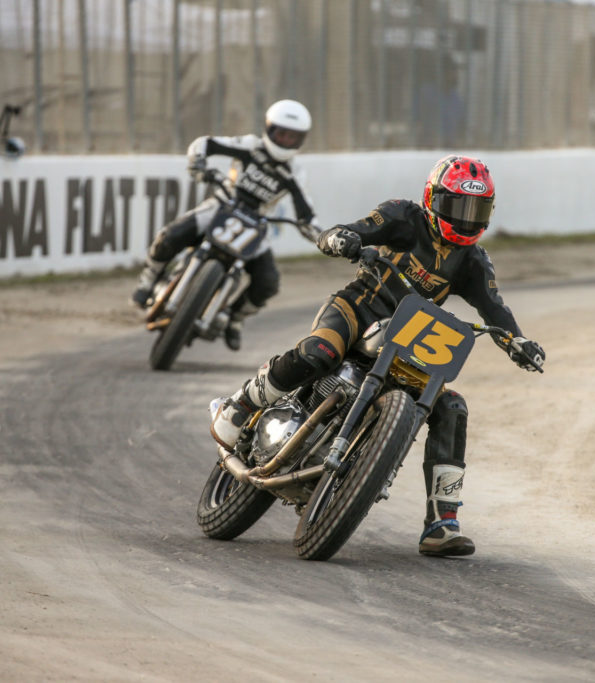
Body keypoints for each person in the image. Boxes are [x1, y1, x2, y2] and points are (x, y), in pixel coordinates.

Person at [210, 154, 546, 557]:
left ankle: (442, 521)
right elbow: (345, 231)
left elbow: (495, 309)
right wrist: (340, 239)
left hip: (410, 340)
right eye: (458, 207)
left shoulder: (473, 261)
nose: (467, 218)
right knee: (321, 351)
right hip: (358, 308)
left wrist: (517, 341)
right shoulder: (402, 216)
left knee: (452, 406)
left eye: (477, 210)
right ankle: (242, 403)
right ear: (432, 200)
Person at [132, 99, 320, 351]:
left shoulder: (295, 172)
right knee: (169, 235)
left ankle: (235, 318)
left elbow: (306, 211)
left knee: (268, 282)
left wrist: (318, 233)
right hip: (222, 206)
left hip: (258, 224)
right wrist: (197, 162)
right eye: (281, 133)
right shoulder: (250, 146)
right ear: (269, 128)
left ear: (301, 140)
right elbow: (205, 143)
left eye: (293, 137)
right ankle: (147, 281)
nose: (286, 140)